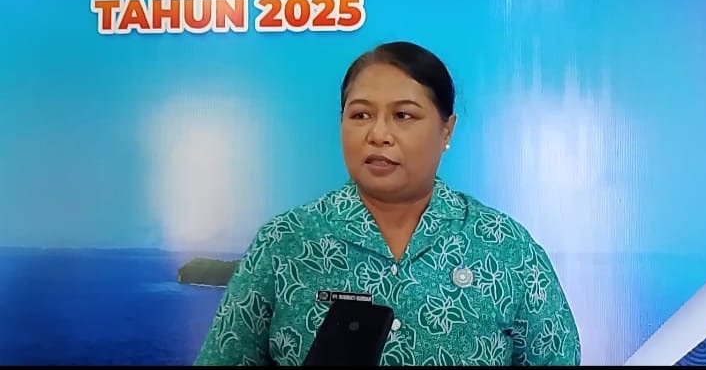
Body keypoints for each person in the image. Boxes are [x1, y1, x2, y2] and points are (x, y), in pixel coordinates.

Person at [194, 41, 581, 366]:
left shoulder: (504, 246)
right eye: (361, 114)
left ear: (446, 129)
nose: (378, 134)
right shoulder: (286, 242)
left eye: (403, 115)